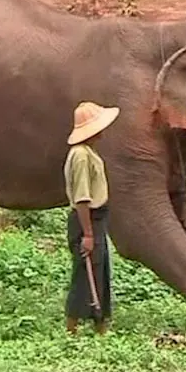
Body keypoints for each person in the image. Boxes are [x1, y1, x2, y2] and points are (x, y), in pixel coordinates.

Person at [63, 101, 119, 335]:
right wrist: (87, 233)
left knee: (98, 273)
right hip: (88, 219)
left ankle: (100, 326)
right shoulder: (81, 156)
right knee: (84, 275)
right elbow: (82, 198)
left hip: (96, 220)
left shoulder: (88, 152)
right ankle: (72, 328)